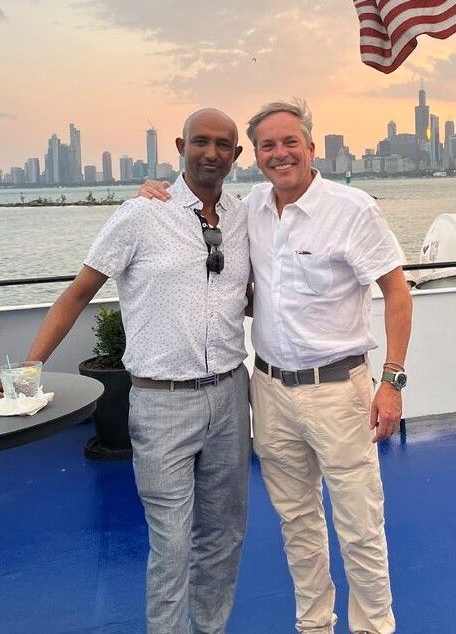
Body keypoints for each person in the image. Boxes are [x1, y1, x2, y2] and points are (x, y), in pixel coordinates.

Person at [27, 108, 251, 634]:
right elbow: (78, 293)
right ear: (180, 145)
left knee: (224, 534)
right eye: (201, 142)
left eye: (224, 145)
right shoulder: (140, 215)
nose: (212, 152)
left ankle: (210, 629)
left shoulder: (244, 217)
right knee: (170, 545)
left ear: (238, 156)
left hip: (229, 395)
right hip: (160, 401)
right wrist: (31, 368)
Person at [246, 99, 411, 634]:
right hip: (269, 389)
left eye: (290, 141)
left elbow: (397, 293)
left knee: (360, 525)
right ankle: (314, 625)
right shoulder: (250, 208)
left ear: (311, 147)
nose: (280, 153)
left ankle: (373, 629)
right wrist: (152, 193)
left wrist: (391, 380)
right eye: (267, 145)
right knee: (297, 522)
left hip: (339, 391)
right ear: (255, 156)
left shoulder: (352, 209)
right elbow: (192, 207)